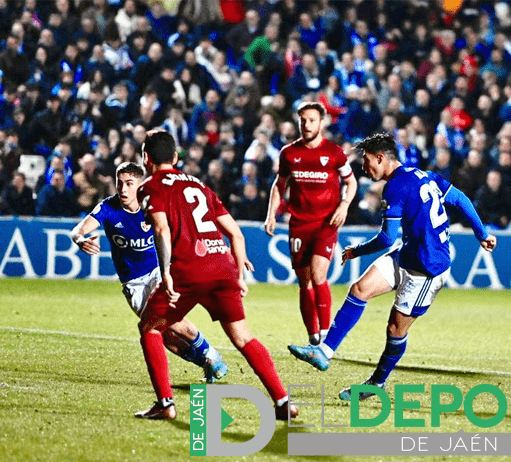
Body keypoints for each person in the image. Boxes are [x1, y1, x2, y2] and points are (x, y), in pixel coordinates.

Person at [288, 132, 497, 400]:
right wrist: (482, 234)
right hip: (409, 253)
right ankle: (324, 352)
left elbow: (387, 238)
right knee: (360, 288)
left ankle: (377, 382)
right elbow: (460, 199)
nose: (364, 168)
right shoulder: (424, 175)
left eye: (367, 162)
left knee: (395, 329)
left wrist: (357, 251)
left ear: (381, 157)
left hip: (427, 269)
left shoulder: (396, 187)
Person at [134, 130, 297, 420]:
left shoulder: (150, 187)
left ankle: (165, 404)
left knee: (151, 327)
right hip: (222, 265)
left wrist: (166, 272)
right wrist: (239, 273)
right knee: (243, 337)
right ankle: (283, 401)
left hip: (189, 268)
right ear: (175, 157)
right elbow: (234, 232)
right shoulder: (200, 185)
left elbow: (161, 229)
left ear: (146, 159)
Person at [70, 161, 228, 385]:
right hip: (132, 284)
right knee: (163, 336)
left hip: (158, 272)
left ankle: (213, 355)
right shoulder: (108, 207)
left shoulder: (153, 205)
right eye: (119, 183)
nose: (123, 189)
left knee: (171, 320)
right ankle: (207, 363)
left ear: (139, 184)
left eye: (129, 183)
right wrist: (80, 240)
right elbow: (79, 229)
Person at [265, 102, 357, 346]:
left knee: (318, 275)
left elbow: (352, 182)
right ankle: (313, 336)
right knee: (304, 281)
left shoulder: (335, 153)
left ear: (322, 123)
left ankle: (326, 336)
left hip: (326, 223)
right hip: (299, 224)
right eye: (303, 120)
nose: (306, 125)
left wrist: (344, 204)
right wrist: (271, 214)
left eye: (312, 120)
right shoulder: (289, 153)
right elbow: (279, 184)